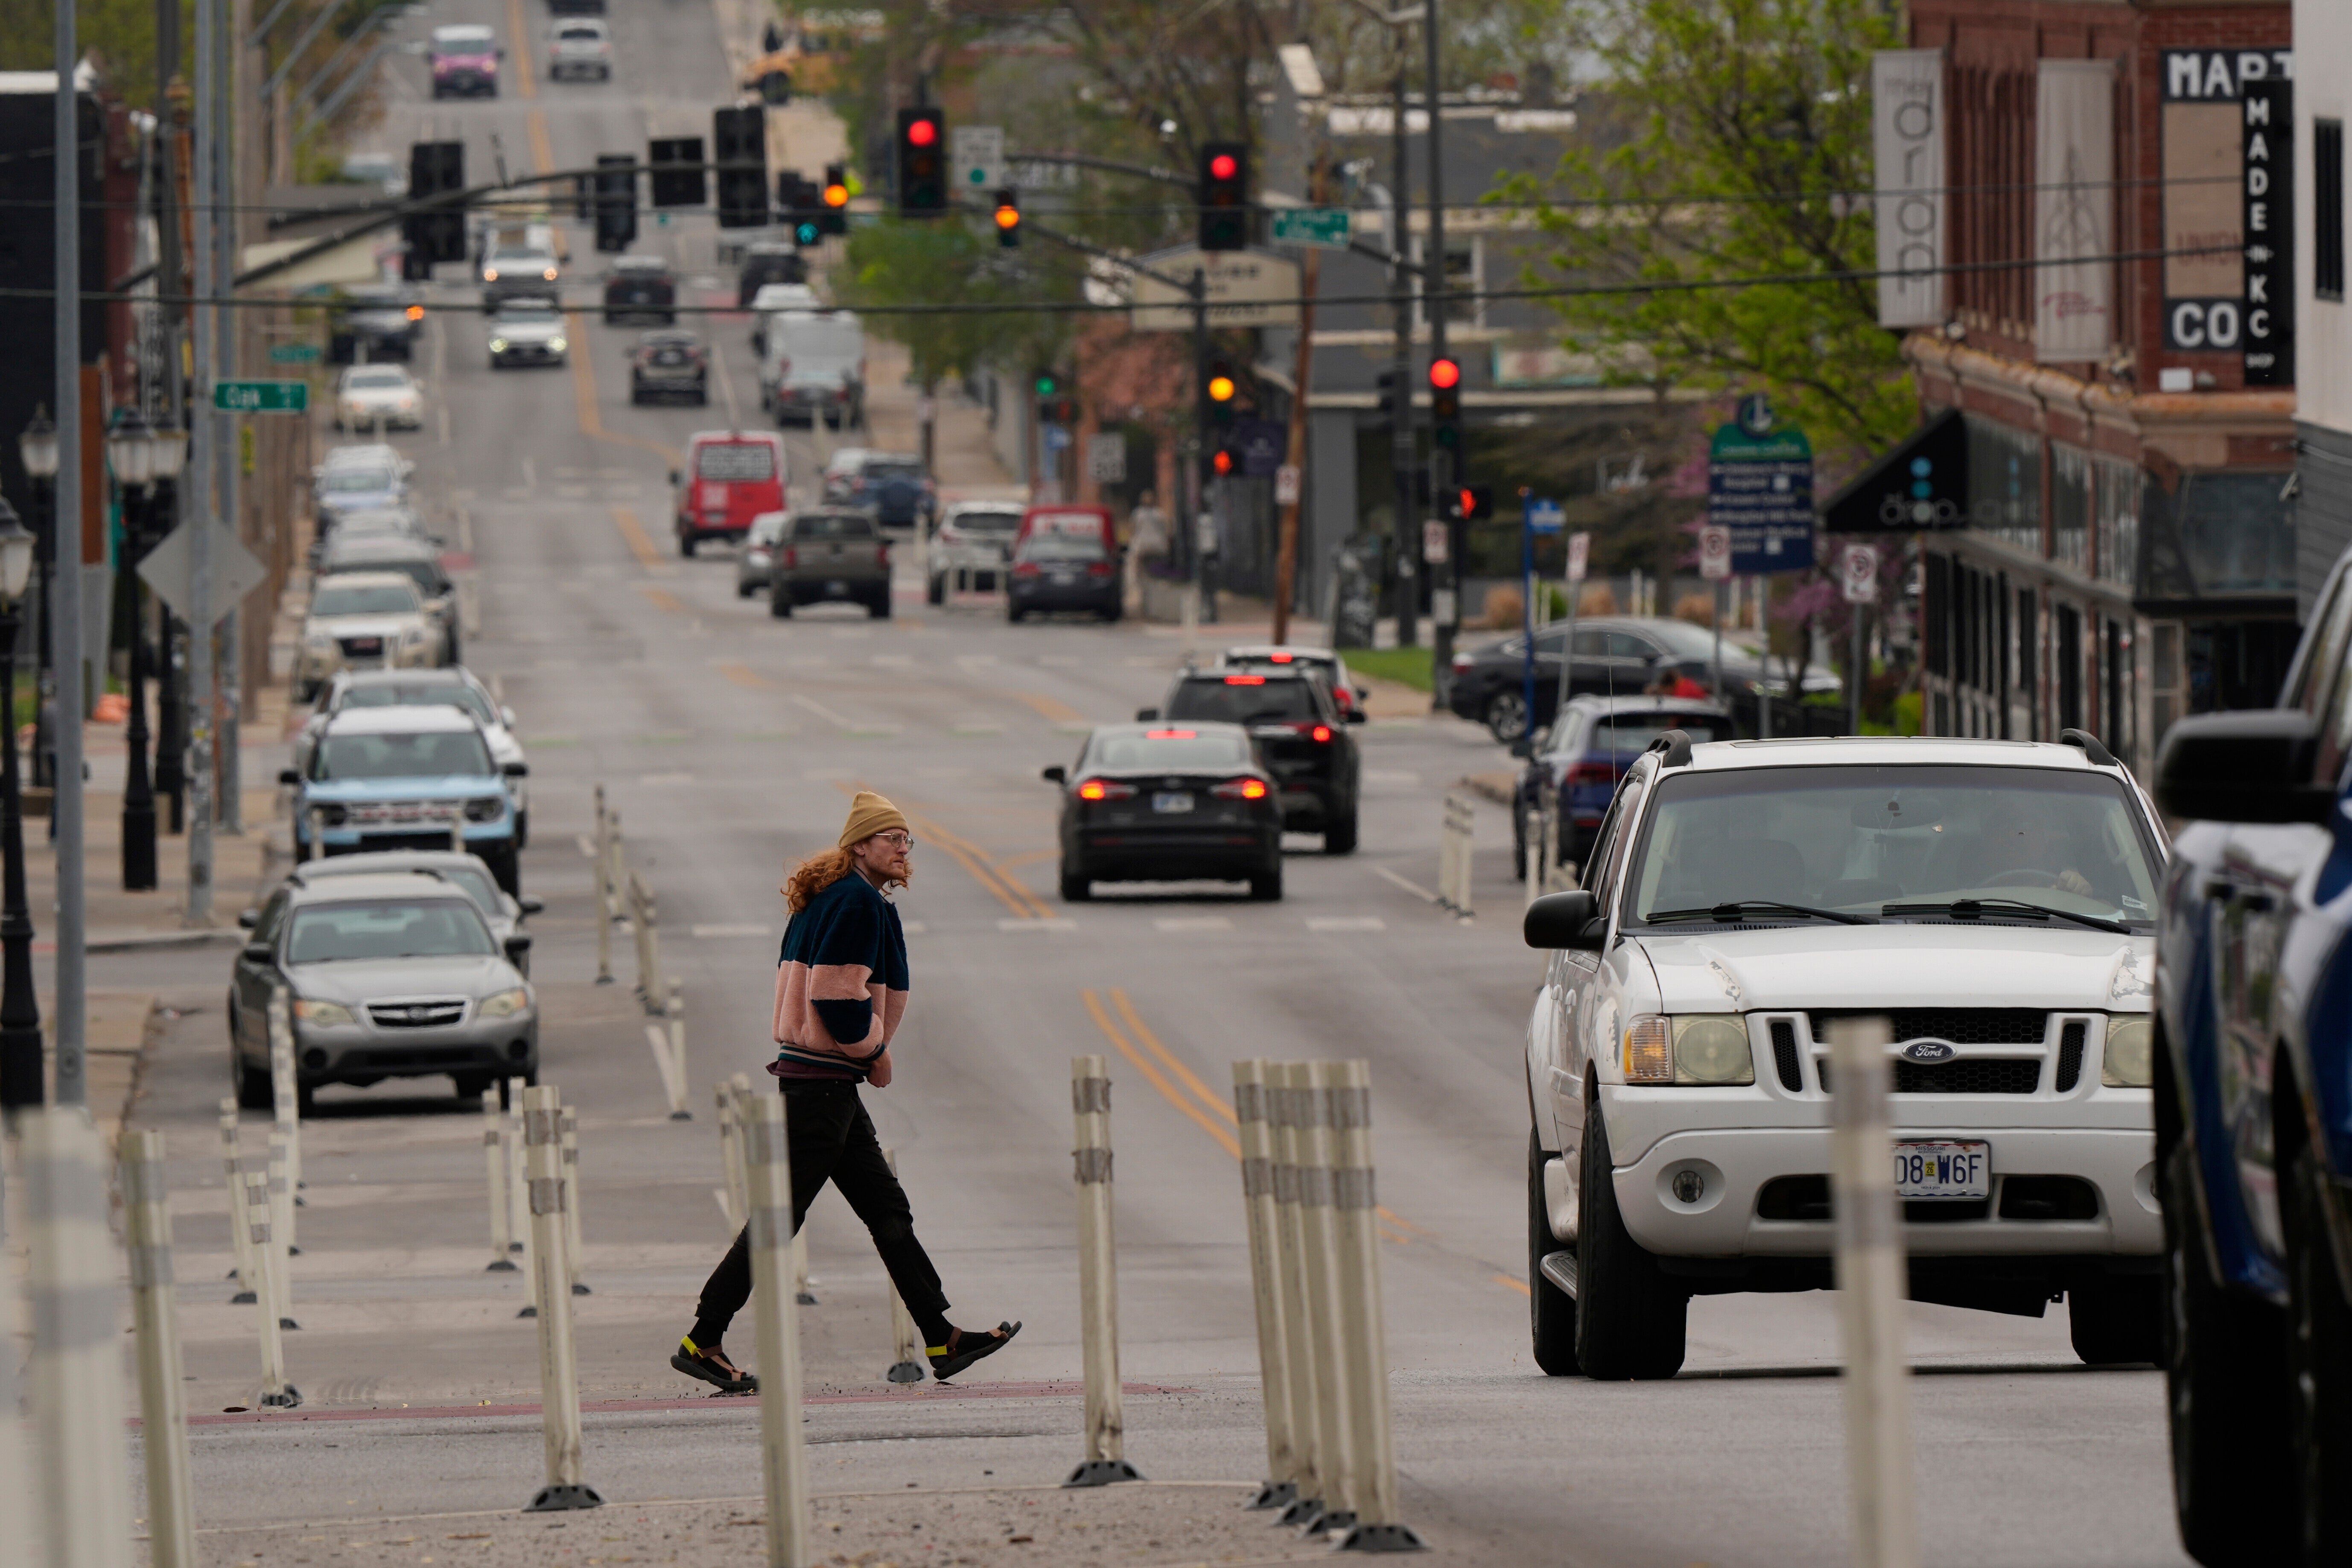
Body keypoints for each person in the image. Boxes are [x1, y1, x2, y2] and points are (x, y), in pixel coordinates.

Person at [671, 791, 1021, 1394]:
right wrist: (874, 1052)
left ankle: (941, 1336)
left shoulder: (836, 897)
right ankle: (702, 1338)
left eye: (907, 840)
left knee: (887, 1210)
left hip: (825, 1084)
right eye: (892, 839)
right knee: (780, 1217)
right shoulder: (855, 902)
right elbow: (836, 996)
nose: (904, 849)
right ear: (862, 844)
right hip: (822, 1084)